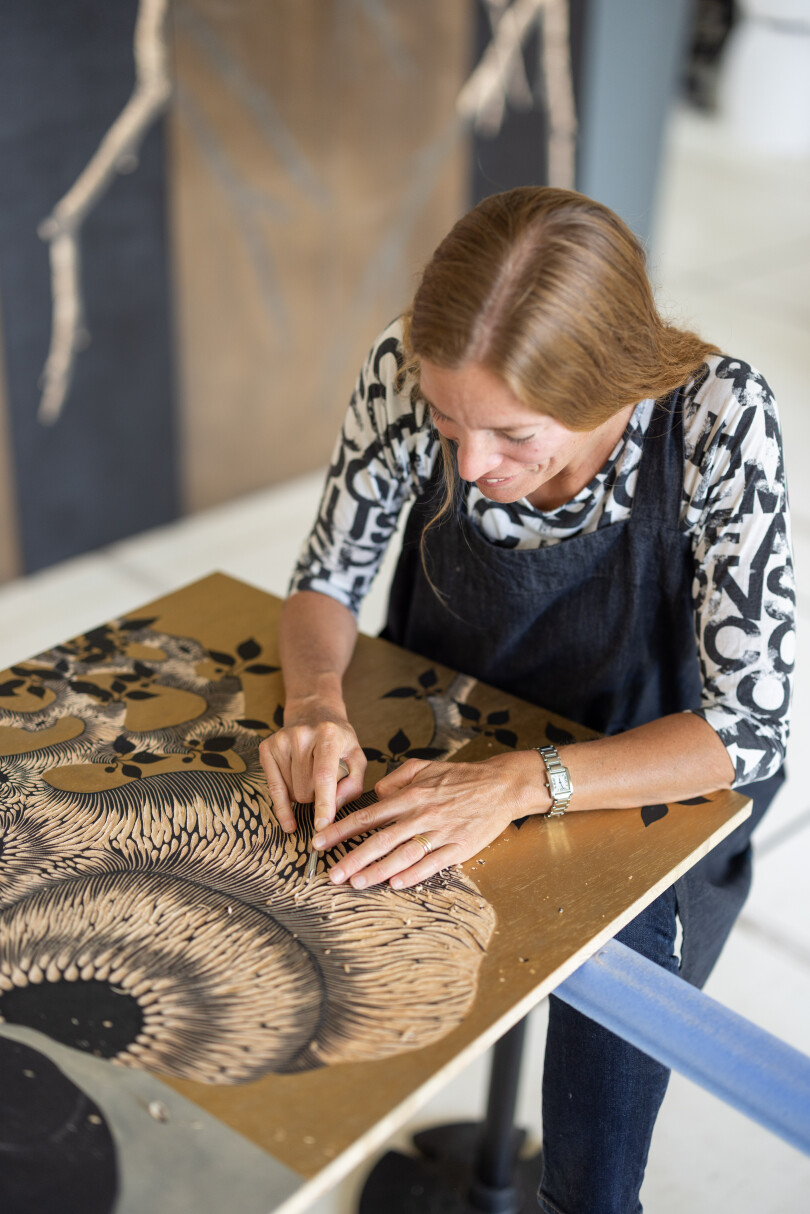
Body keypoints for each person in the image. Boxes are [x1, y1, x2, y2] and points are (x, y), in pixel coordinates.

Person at [259, 187, 794, 1214]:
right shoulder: (400, 361)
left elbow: (752, 726)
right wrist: (319, 701)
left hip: (643, 762)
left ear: (613, 383)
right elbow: (328, 577)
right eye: (446, 419)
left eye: (512, 434)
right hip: (451, 718)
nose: (469, 464)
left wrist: (523, 783)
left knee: (600, 1133)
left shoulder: (718, 418)